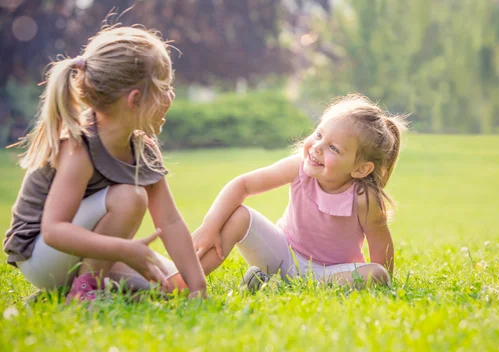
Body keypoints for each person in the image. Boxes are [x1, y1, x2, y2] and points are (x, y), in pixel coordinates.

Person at [3, 25, 206, 302]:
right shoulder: (80, 148)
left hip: (83, 251)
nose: (171, 97)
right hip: (41, 256)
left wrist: (198, 288)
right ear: (135, 100)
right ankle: (84, 292)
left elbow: (170, 221)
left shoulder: (142, 148)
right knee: (130, 197)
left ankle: (66, 292)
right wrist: (122, 250)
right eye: (165, 88)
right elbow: (53, 230)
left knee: (172, 287)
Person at [186, 94, 407, 290]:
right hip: (282, 255)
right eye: (319, 135)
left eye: (333, 148)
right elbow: (242, 185)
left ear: (360, 169)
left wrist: (385, 281)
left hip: (331, 273)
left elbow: (380, 244)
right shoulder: (298, 168)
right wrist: (210, 226)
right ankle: (186, 280)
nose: (317, 147)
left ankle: (275, 285)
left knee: (376, 274)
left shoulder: (364, 198)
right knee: (239, 217)